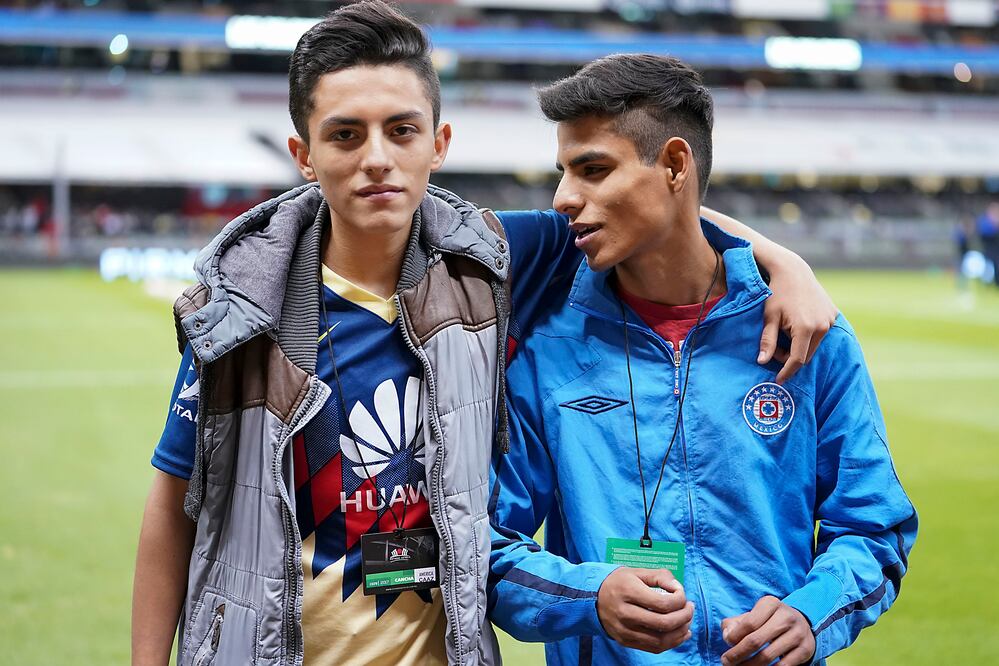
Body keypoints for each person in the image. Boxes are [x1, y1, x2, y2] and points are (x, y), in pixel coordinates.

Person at [130, 3, 836, 665]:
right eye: (345, 134)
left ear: (437, 144)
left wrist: (780, 261)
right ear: (303, 154)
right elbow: (172, 509)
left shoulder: (492, 261)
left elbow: (656, 210)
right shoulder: (245, 309)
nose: (377, 157)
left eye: (400, 130)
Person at [487, 54, 917, 666]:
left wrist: (812, 613)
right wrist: (591, 595)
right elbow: (484, 544)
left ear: (674, 165)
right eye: (564, 171)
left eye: (593, 169)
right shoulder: (549, 350)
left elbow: (875, 527)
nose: (563, 197)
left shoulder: (809, 334)